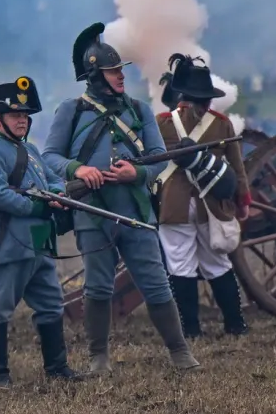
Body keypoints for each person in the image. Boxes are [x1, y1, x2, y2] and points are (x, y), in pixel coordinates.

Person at [42, 23, 199, 374]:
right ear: (96, 75)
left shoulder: (140, 111)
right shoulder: (71, 110)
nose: (120, 77)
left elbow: (158, 158)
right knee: (97, 286)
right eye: (113, 72)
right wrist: (78, 170)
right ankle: (98, 358)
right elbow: (49, 157)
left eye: (119, 71)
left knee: (156, 282)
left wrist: (137, 174)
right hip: (91, 212)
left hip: (136, 209)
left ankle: (180, 353)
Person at [0, 76, 82, 386]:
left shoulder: (29, 148)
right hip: (7, 244)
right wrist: (35, 206)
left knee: (50, 303)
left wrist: (57, 195)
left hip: (38, 242)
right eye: (16, 115)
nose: (22, 121)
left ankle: (57, 369)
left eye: (25, 116)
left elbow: (50, 179)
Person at [155, 54, 251, 338]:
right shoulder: (222, 124)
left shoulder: (162, 124)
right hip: (212, 203)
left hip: (174, 205)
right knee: (218, 264)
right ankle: (235, 324)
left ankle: (191, 330)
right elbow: (238, 169)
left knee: (180, 266)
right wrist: (243, 202)